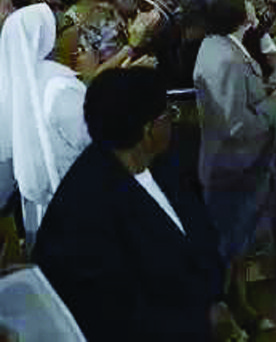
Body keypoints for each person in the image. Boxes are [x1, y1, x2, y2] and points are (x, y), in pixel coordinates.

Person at [32, 68, 241, 342]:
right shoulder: (81, 211)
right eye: (169, 114)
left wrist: (220, 292)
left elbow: (197, 233)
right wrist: (199, 322)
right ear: (148, 131)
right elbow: (109, 316)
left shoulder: (164, 162)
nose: (173, 122)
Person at [194, 0, 276, 329]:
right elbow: (235, 124)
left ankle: (239, 309)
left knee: (235, 246)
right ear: (241, 16)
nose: (254, 6)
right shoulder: (225, 59)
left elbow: (243, 96)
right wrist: (275, 104)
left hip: (232, 164)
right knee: (229, 247)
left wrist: (269, 91)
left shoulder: (221, 47)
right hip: (234, 167)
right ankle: (231, 316)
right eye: (247, 3)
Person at [0, 4, 90, 245]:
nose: (76, 31)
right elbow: (89, 137)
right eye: (64, 28)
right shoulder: (59, 83)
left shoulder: (12, 84)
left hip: (36, 207)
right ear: (48, 36)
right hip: (74, 197)